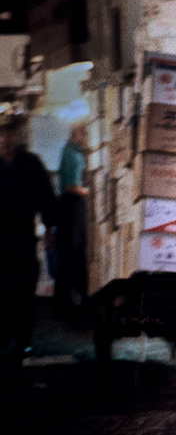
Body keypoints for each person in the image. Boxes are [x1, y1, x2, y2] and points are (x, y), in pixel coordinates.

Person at [0, 109, 57, 365]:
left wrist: (49, 229)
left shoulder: (31, 164)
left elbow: (47, 199)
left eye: (10, 132)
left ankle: (23, 343)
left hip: (22, 238)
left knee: (24, 291)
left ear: (18, 134)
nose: (5, 139)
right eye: (1, 133)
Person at [54, 120, 90, 319]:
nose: (87, 140)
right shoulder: (74, 155)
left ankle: (62, 305)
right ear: (78, 134)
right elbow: (71, 187)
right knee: (74, 253)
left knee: (67, 256)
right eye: (85, 135)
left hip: (66, 207)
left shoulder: (67, 150)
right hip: (72, 206)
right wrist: (89, 191)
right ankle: (70, 305)